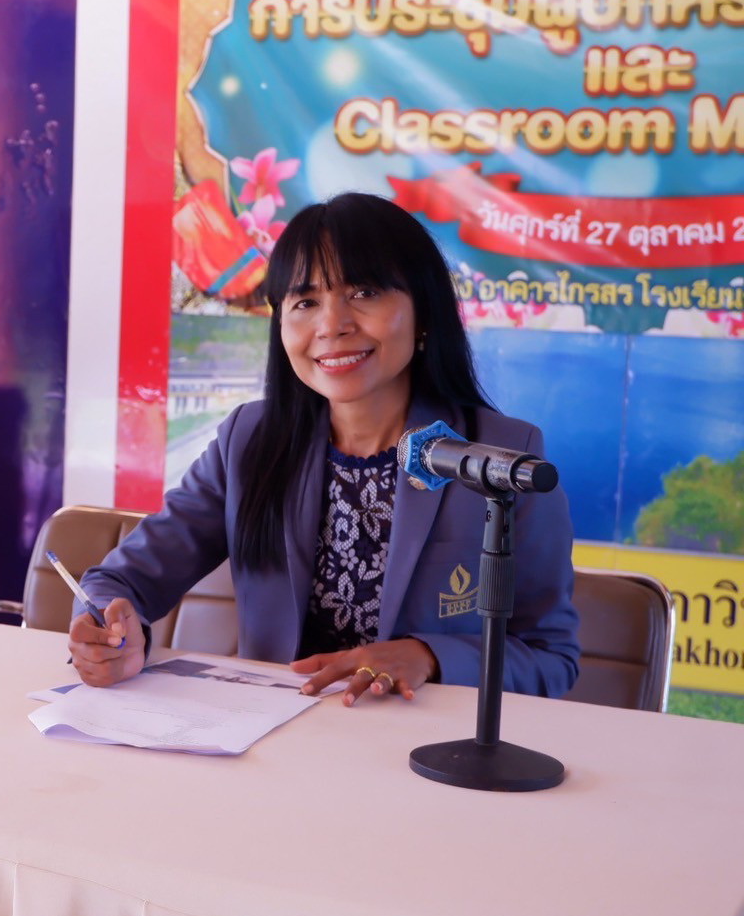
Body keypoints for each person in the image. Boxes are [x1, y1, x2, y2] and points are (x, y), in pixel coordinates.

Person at [71, 192, 579, 704]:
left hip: (424, 741)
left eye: (364, 292)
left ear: (424, 312)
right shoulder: (248, 440)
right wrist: (109, 634)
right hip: (272, 733)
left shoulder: (501, 456)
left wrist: (429, 656)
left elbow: (550, 658)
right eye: (305, 302)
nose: (332, 325)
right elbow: (118, 581)